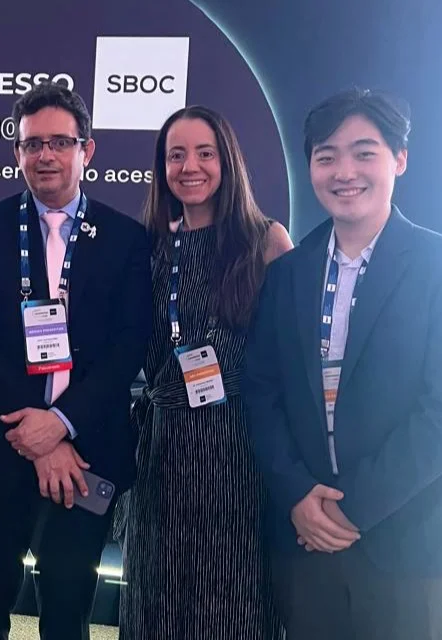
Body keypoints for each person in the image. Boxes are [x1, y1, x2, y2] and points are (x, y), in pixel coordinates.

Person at [244, 87, 442, 640]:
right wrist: (297, 496)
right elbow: (261, 390)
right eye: (327, 155)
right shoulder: (289, 273)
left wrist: (351, 509)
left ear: (399, 160)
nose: (344, 171)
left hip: (414, 544)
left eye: (365, 152)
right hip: (307, 543)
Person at [0, 81, 151, 640]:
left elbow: (129, 345)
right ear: (17, 152)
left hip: (85, 451)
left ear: (87, 151)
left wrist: (60, 426)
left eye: (59, 142)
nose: (45, 155)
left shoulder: (128, 239)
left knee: (67, 605)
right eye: (32, 144)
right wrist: (35, 428)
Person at [118, 106, 292, 639]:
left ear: (228, 161)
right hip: (164, 452)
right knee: (158, 603)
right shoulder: (146, 247)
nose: (189, 166)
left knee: (232, 603)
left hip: (238, 449)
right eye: (176, 155)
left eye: (204, 152)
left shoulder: (266, 242)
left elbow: (291, 363)